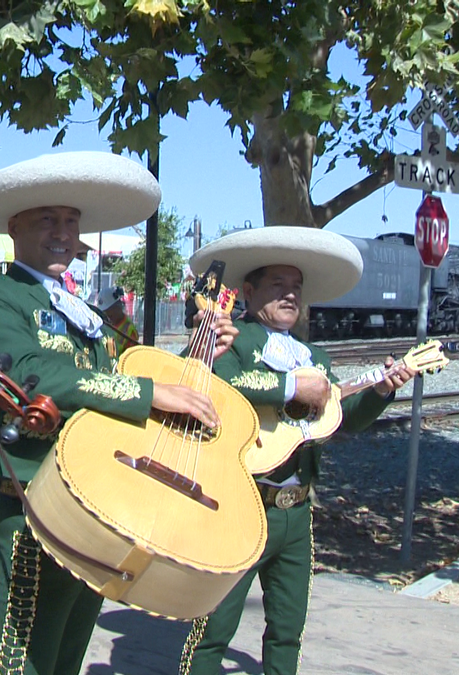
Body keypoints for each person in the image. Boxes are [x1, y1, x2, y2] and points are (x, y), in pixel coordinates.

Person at [0, 151, 238, 675]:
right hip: (34, 506)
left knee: (67, 661)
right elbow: (25, 373)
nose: (63, 233)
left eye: (71, 221)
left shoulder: (89, 310)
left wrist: (198, 355)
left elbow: (129, 370)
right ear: (14, 227)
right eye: (47, 220)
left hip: (101, 508)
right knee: (25, 663)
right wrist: (149, 393)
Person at [178, 227, 417, 675]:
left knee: (288, 629)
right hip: (240, 505)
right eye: (278, 285)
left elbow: (340, 419)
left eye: (296, 288)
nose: (290, 295)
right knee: (212, 629)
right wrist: (292, 386)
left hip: (297, 514)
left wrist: (381, 391)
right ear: (249, 292)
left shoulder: (317, 357)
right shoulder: (235, 340)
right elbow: (223, 386)